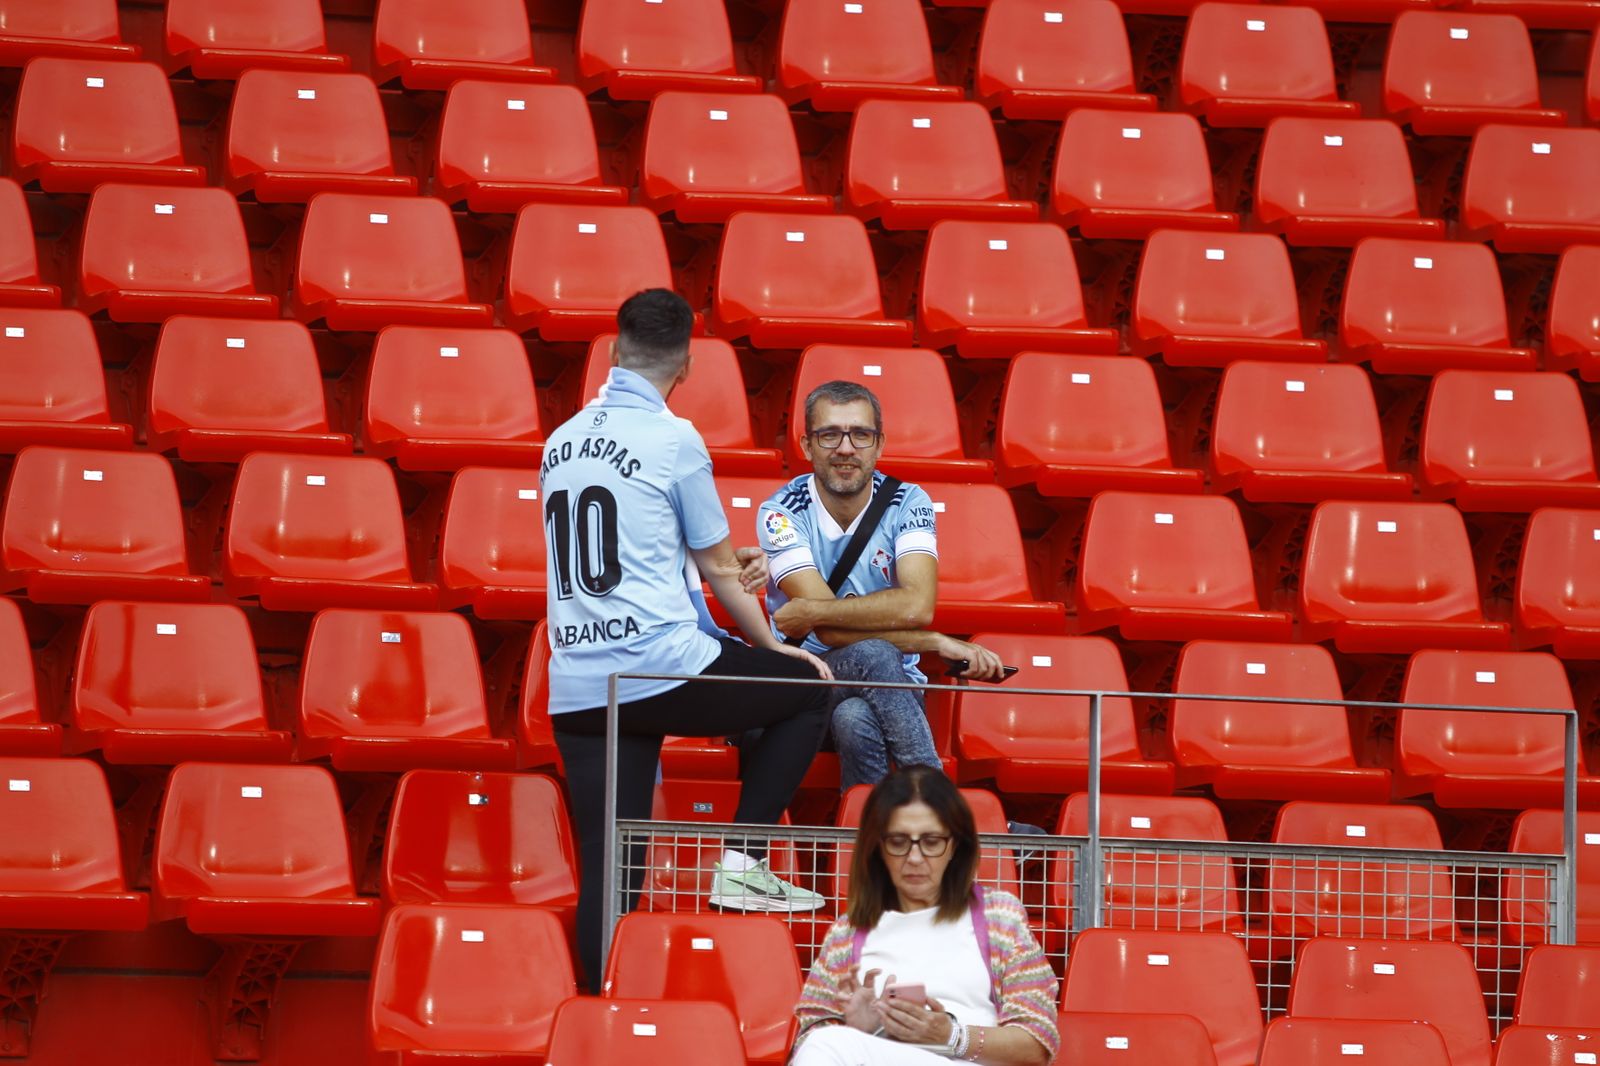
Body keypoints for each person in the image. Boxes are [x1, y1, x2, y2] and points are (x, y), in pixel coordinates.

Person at [543, 288, 833, 989]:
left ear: (615, 351)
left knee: (611, 874)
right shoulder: (674, 438)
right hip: (662, 668)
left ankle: (594, 1019)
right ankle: (741, 864)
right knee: (807, 692)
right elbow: (720, 571)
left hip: (580, 682)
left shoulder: (559, 441)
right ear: (688, 365)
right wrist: (773, 650)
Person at [756, 381, 1007, 792]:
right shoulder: (780, 512)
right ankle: (942, 805)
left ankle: (864, 841)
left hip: (890, 688)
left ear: (879, 444)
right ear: (806, 444)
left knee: (855, 719)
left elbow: (918, 605)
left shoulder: (909, 501)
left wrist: (818, 610)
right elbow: (831, 633)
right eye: (829, 434)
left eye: (860, 434)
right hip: (809, 682)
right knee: (873, 652)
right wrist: (933, 643)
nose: (845, 448)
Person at [791, 766, 1059, 1064]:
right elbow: (809, 1038)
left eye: (931, 842)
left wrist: (952, 1036)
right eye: (898, 842)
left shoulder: (999, 918)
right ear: (878, 848)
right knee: (825, 1042)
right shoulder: (848, 932)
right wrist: (865, 1029)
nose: (915, 858)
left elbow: (1037, 1043)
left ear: (955, 845)